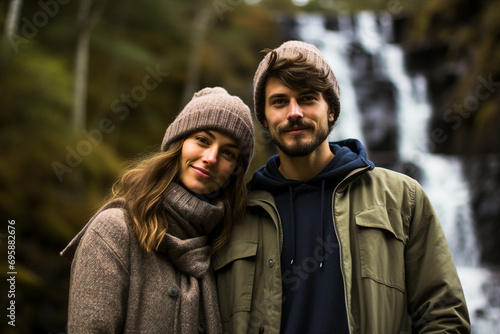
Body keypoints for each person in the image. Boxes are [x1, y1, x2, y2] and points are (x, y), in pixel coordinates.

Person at [213, 41, 471, 333]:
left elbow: (443, 315)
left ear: (332, 110)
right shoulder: (235, 213)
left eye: (307, 98)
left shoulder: (402, 197)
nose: (294, 112)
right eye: (280, 101)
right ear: (264, 117)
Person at [61, 87, 254, 333]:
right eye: (202, 140)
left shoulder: (224, 247)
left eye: (228, 153)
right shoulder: (114, 231)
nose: (211, 157)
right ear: (178, 144)